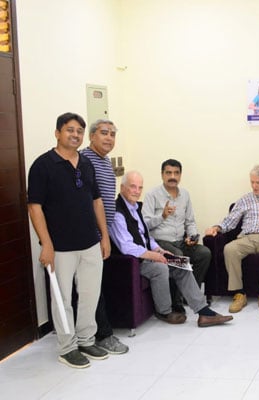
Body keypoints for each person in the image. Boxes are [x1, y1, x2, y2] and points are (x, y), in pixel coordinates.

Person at [27, 112, 112, 368]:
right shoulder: (43, 165)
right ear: (57, 133)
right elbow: (35, 207)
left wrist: (104, 236)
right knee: (62, 299)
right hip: (60, 247)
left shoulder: (86, 163)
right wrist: (47, 245)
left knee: (89, 295)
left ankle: (86, 339)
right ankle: (67, 347)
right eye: (69, 130)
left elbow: (96, 201)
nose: (75, 135)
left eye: (79, 131)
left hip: (90, 244)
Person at [110, 171, 232, 328]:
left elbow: (147, 237)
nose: (137, 191)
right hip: (133, 262)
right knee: (160, 267)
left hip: (148, 254)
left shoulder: (135, 208)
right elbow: (125, 246)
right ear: (122, 187)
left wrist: (159, 250)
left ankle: (203, 312)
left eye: (140, 187)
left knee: (180, 263)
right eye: (132, 187)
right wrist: (153, 255)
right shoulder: (117, 212)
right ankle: (164, 311)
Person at [204, 165, 259, 314]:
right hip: (247, 238)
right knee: (230, 249)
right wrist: (217, 227)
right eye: (252, 182)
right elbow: (231, 220)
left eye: (258, 182)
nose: (254, 186)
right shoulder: (245, 199)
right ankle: (239, 293)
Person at [79, 119, 129, 355]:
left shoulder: (105, 162)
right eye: (104, 133)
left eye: (112, 134)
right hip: (88, 235)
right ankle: (102, 336)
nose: (109, 138)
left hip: (104, 234)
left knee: (98, 286)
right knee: (92, 288)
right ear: (91, 136)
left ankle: (98, 331)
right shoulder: (83, 160)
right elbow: (87, 201)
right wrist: (98, 234)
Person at [143, 159, 211, 313]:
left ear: (180, 175)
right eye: (168, 173)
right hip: (161, 242)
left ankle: (187, 296)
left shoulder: (185, 195)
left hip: (181, 241)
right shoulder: (152, 195)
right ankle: (176, 302)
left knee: (204, 253)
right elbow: (144, 225)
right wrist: (162, 216)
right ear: (162, 175)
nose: (172, 176)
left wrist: (192, 237)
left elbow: (190, 222)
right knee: (178, 256)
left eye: (176, 173)